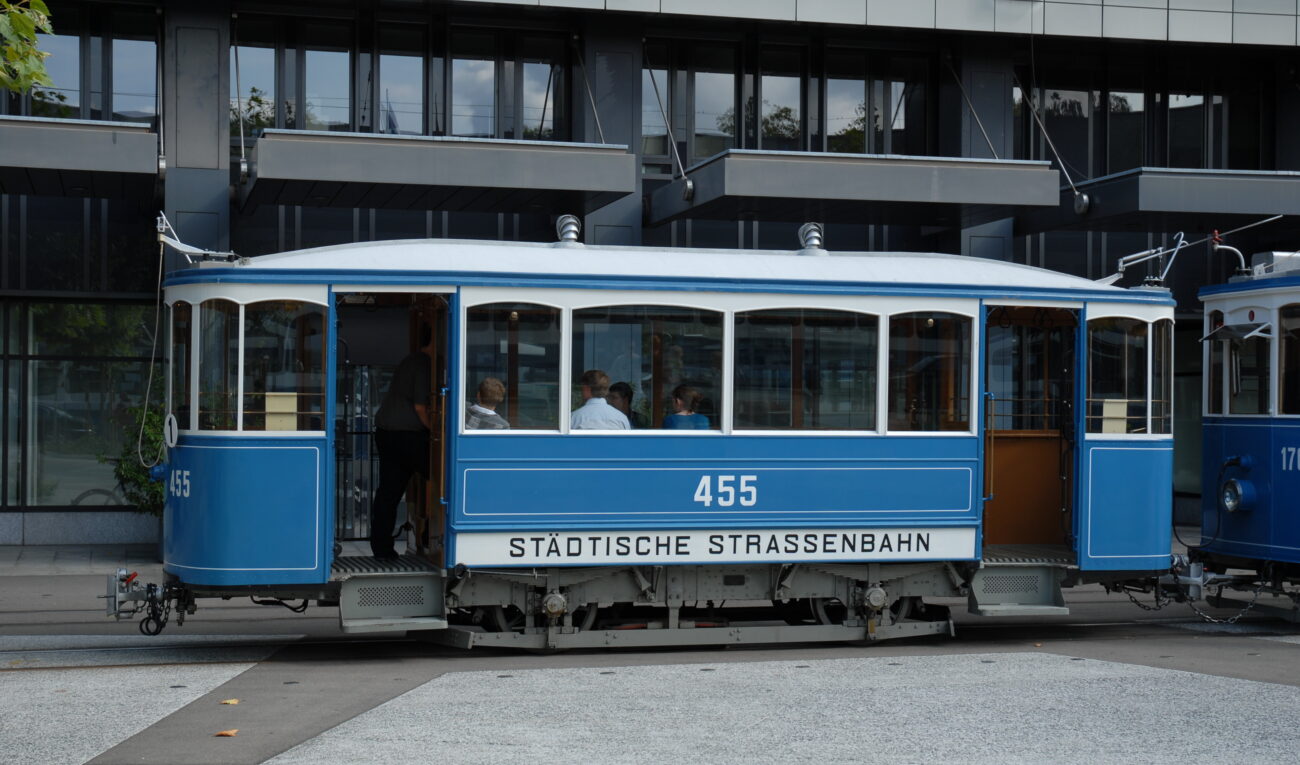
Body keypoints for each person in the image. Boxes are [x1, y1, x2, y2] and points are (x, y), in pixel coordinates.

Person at [370, 324, 433, 560]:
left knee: (389, 492)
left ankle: (382, 547)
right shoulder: (425, 364)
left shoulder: (411, 360)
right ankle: (432, 538)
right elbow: (420, 408)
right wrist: (436, 430)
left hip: (387, 431)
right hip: (408, 435)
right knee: (443, 479)